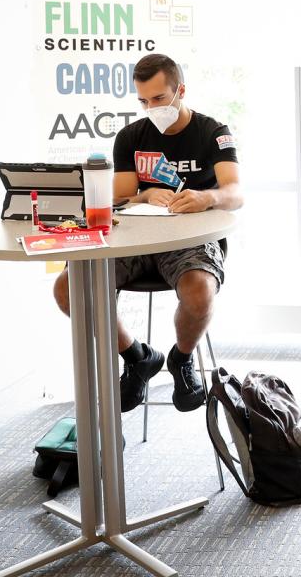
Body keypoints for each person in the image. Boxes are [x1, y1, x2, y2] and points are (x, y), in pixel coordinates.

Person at [52, 53, 243, 413]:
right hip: (135, 238)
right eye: (143, 100)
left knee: (200, 293)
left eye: (158, 99)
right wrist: (145, 194)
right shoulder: (131, 137)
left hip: (190, 242)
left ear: (180, 90)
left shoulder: (213, 132)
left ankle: (182, 359)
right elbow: (122, 195)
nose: (151, 107)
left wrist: (206, 196)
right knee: (67, 288)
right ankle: (137, 356)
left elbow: (235, 193)